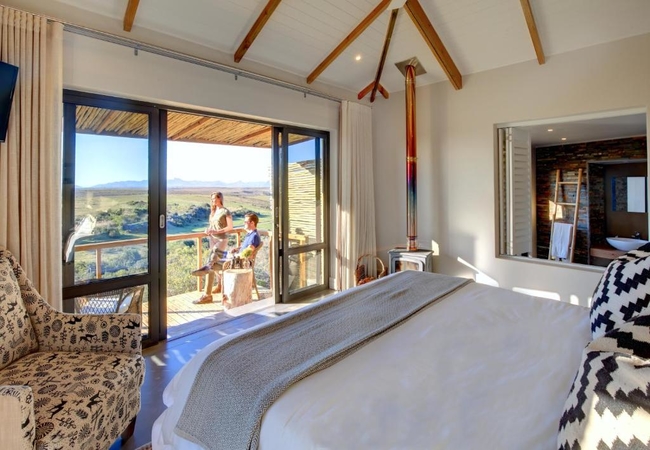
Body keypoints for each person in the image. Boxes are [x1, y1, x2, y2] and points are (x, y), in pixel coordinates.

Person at [191, 191, 233, 304]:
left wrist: (217, 231)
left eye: (215, 198)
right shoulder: (213, 211)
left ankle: (207, 294)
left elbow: (230, 227)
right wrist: (208, 230)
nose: (213, 200)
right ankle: (217, 287)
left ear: (220, 199)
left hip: (221, 239)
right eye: (212, 198)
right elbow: (212, 225)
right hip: (212, 238)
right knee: (214, 264)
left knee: (211, 261)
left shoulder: (225, 211)